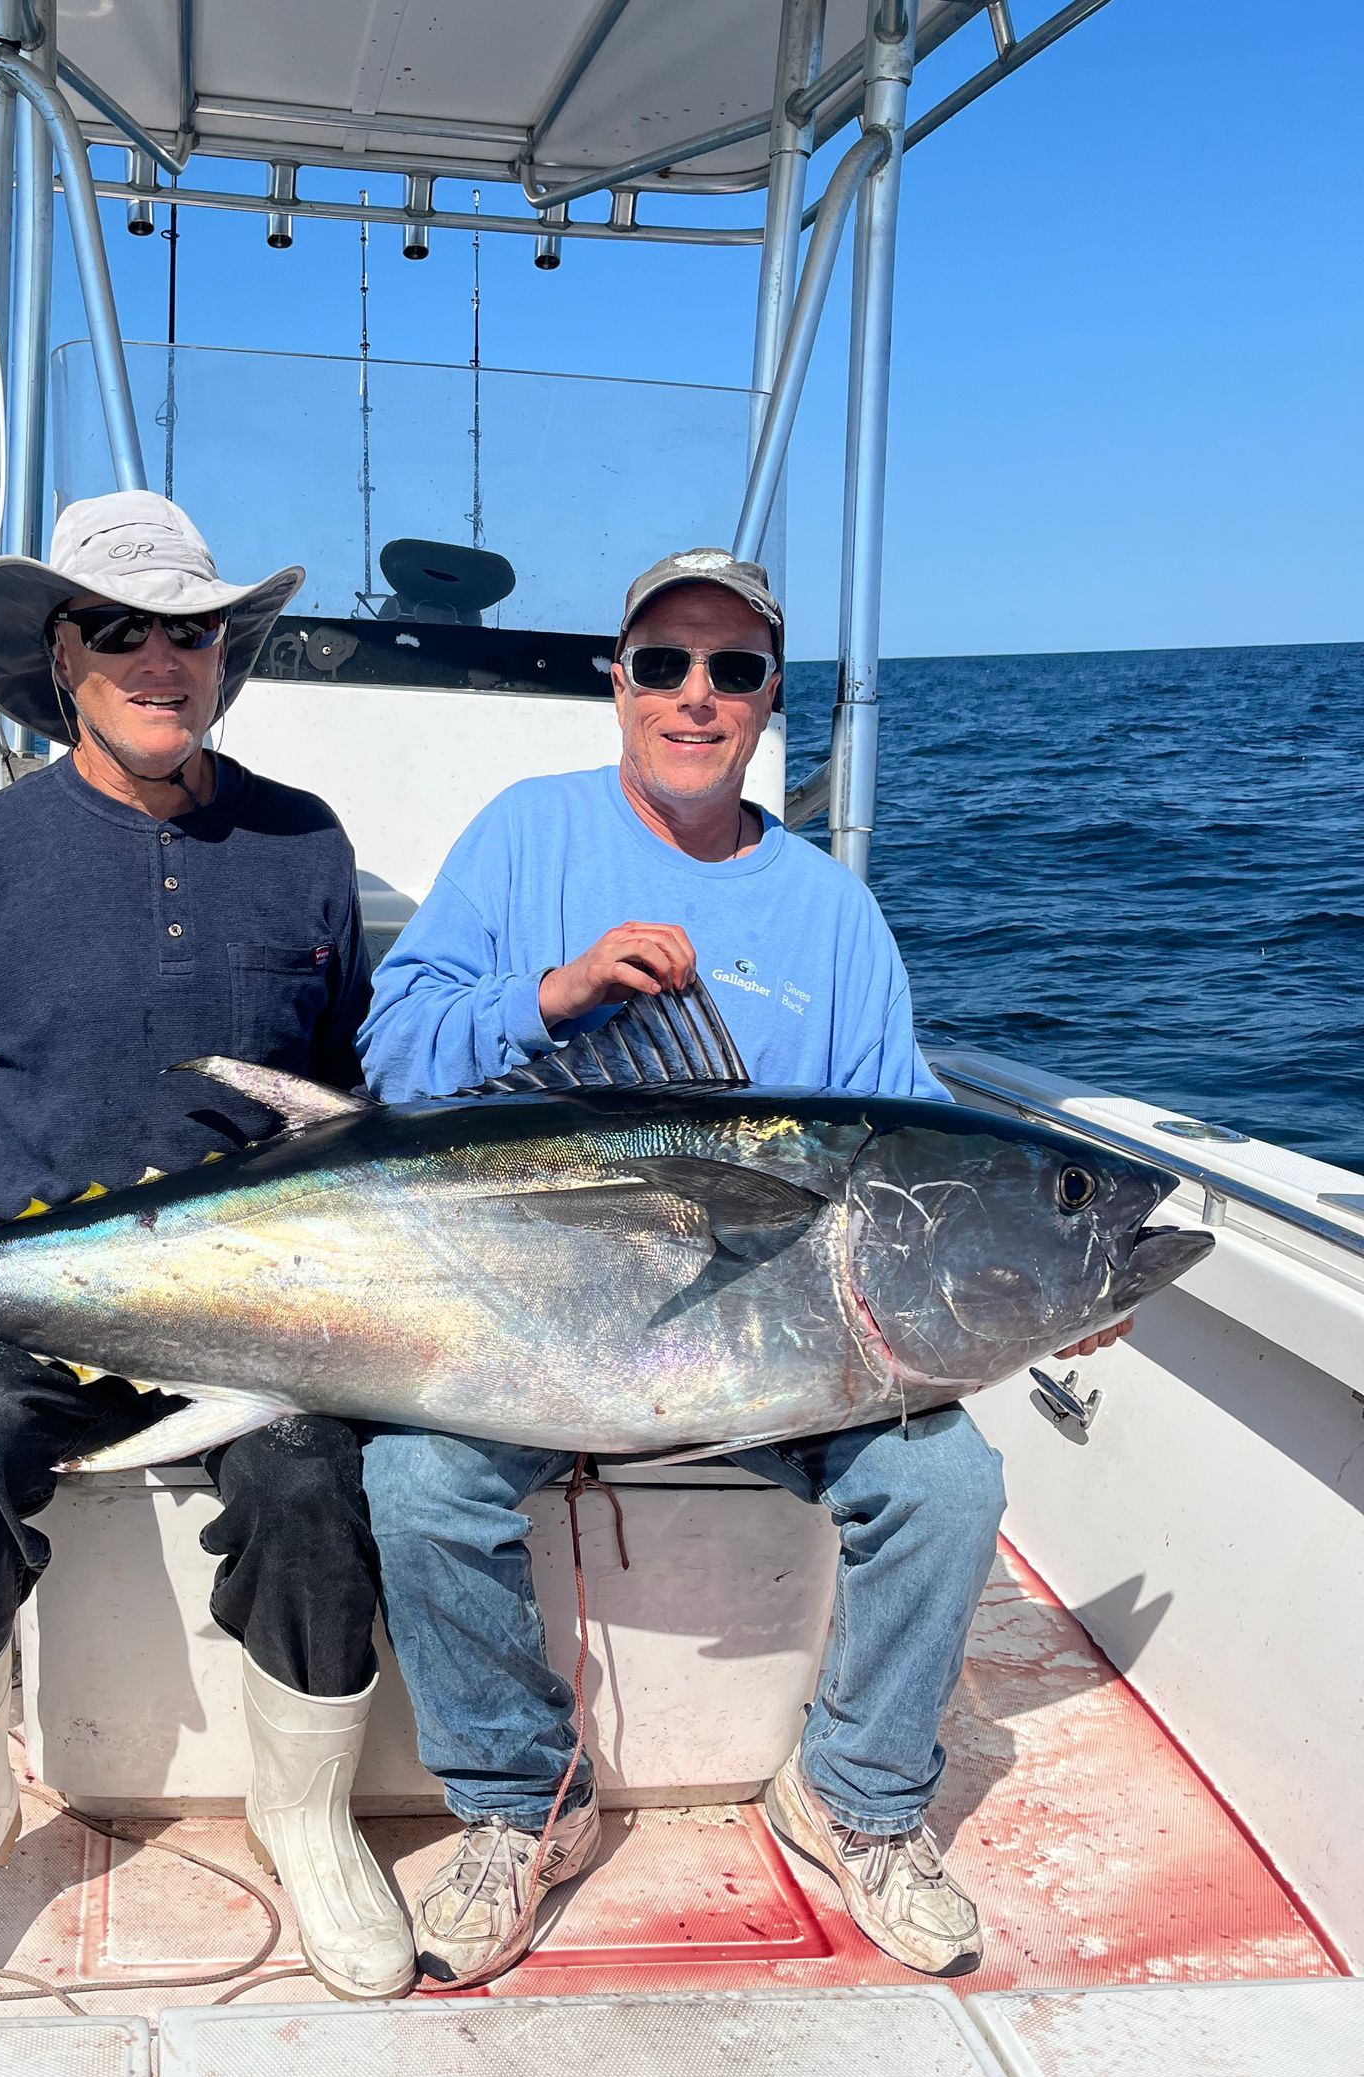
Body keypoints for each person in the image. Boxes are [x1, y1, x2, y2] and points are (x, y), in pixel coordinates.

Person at [358, 547, 1130, 1991]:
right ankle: (521, 1800)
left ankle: (857, 1793)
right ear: (617, 685)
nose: (695, 697)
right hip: (536, 1322)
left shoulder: (831, 911)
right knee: (413, 1484)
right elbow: (393, 1055)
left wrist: (1053, 1276)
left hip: (795, 1350)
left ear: (773, 697)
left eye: (734, 670)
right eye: (664, 664)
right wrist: (556, 995)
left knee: (948, 1483)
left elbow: (909, 1149)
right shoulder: (528, 836)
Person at [0, 492, 413, 2017]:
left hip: (261, 1297)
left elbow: (350, 1090)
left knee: (316, 1475)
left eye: (192, 629)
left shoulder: (303, 842)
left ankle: (304, 1814)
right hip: (24, 1290)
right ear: (62, 653)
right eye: (120, 629)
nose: (160, 659)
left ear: (225, 654)